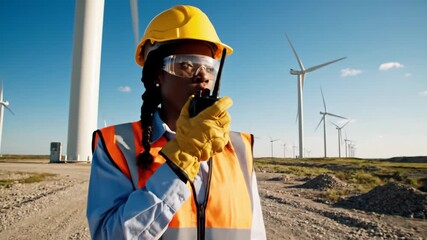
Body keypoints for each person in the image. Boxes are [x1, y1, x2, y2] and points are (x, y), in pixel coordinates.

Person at [87, 5, 266, 240]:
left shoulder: (239, 148)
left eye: (209, 67)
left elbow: (255, 233)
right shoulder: (117, 146)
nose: (203, 76)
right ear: (157, 74)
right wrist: (180, 159)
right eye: (187, 64)